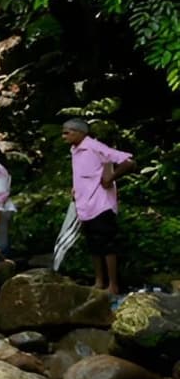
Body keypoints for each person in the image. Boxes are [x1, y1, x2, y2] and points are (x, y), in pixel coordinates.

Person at [62, 118, 135, 295]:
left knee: (107, 245)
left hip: (101, 204)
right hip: (85, 205)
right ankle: (99, 282)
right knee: (93, 245)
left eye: (67, 132)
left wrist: (111, 177)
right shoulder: (75, 150)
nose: (63, 136)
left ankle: (113, 285)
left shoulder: (95, 147)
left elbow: (129, 161)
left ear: (80, 133)